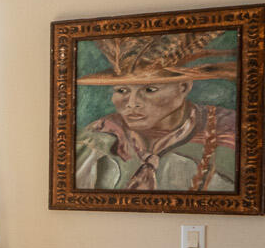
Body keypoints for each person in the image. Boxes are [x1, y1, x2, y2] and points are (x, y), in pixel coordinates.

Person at [74, 31, 237, 192]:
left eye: (150, 89)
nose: (131, 104)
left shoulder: (228, 131)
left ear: (184, 87)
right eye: (122, 90)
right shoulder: (97, 137)